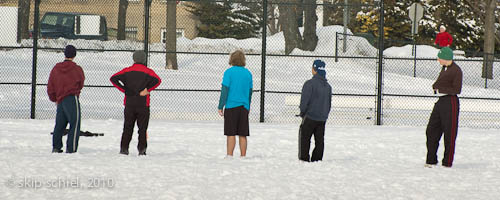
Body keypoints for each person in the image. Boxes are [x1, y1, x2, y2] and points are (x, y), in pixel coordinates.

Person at [110, 50, 161, 156]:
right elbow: (158, 81)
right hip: (143, 104)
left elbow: (113, 78)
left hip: (129, 104)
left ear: (134, 59)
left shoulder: (127, 71)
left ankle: (124, 148)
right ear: (144, 60)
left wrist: (124, 89)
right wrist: (147, 90)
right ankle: (142, 149)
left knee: (127, 127)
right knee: (142, 129)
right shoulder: (148, 72)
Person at [425, 47, 462, 168]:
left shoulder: (456, 70)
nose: (438, 60)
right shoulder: (444, 68)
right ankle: (431, 159)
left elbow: (457, 89)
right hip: (441, 101)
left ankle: (447, 162)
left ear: (446, 58)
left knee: (449, 133)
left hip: (450, 102)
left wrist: (440, 90)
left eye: (440, 57)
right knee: (431, 130)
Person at [47, 45, 85, 153]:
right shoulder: (77, 69)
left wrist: (54, 98)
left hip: (60, 99)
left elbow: (51, 84)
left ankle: (56, 147)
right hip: (71, 98)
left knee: (59, 124)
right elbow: (80, 83)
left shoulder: (56, 68)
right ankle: (71, 148)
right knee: (75, 123)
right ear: (74, 55)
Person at [218, 50, 253, 158]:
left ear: (231, 59)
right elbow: (250, 92)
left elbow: (225, 90)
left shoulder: (229, 72)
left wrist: (220, 106)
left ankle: (229, 155)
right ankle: (243, 156)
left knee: (231, 133)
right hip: (244, 107)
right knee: (243, 134)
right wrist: (248, 106)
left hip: (231, 106)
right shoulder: (248, 73)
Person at [298, 60, 332, 162]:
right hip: (322, 118)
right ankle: (317, 159)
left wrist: (303, 112)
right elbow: (329, 103)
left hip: (310, 116)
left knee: (304, 138)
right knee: (319, 140)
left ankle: (304, 158)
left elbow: (304, 100)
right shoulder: (328, 87)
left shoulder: (309, 84)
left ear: (315, 69)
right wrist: (325, 114)